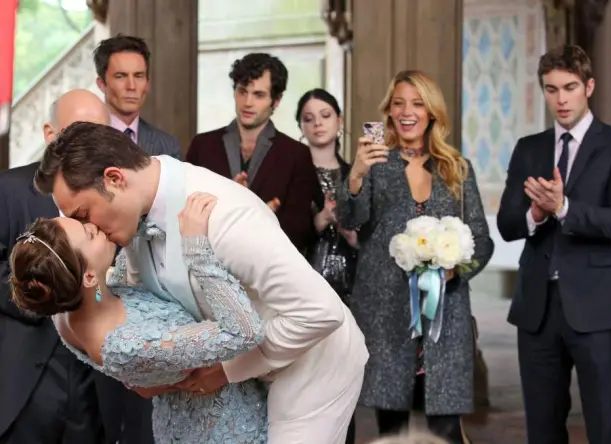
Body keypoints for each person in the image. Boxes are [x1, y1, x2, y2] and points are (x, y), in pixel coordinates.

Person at [34, 121, 369, 444]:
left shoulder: (224, 217)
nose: (87, 228)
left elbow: (320, 312)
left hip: (312, 362)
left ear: (115, 179)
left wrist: (227, 369)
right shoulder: (133, 215)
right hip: (248, 379)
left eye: (82, 214)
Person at [8, 194, 268, 443]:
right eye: (89, 234)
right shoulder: (127, 344)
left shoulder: (70, 303)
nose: (93, 225)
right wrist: (198, 253)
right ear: (88, 276)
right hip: (226, 429)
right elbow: (244, 332)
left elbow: (111, 290)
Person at [336, 70, 493, 444]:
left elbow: (482, 239)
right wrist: (356, 174)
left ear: (432, 112)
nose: (407, 112)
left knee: (446, 430)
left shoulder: (456, 168)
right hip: (387, 316)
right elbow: (349, 219)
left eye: (418, 104)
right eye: (399, 104)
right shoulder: (375, 165)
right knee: (392, 429)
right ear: (389, 112)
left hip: (445, 320)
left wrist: (456, 270)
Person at [497, 45, 611, 444]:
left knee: (606, 428)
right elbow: (507, 225)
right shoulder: (529, 148)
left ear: (588, 87)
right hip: (537, 310)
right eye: (551, 89)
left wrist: (563, 207)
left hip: (598, 306)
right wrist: (535, 214)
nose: (561, 99)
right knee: (542, 431)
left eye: (570, 87)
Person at [0, 89, 110, 444]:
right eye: (81, 132)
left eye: (102, 134)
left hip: (99, 378)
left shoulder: (116, 197)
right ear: (51, 135)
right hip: (26, 375)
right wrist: (45, 297)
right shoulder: (8, 191)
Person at [186, 53, 320, 252]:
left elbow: (300, 232)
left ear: (276, 100)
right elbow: (183, 212)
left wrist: (257, 216)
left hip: (267, 265)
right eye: (242, 91)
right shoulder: (203, 145)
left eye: (258, 95)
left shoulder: (296, 155)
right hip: (209, 261)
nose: (247, 102)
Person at [295, 88, 359, 443]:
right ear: (301, 127)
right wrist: (320, 220)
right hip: (306, 284)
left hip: (352, 285)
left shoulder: (354, 172)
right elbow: (284, 233)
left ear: (339, 120)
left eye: (325, 115)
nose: (318, 124)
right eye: (309, 118)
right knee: (306, 384)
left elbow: (374, 235)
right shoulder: (295, 172)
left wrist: (351, 234)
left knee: (344, 379)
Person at [94, 34, 182, 158]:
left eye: (138, 76)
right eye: (120, 76)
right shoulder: (83, 140)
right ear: (102, 84)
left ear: (147, 83)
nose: (131, 86)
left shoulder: (168, 146)